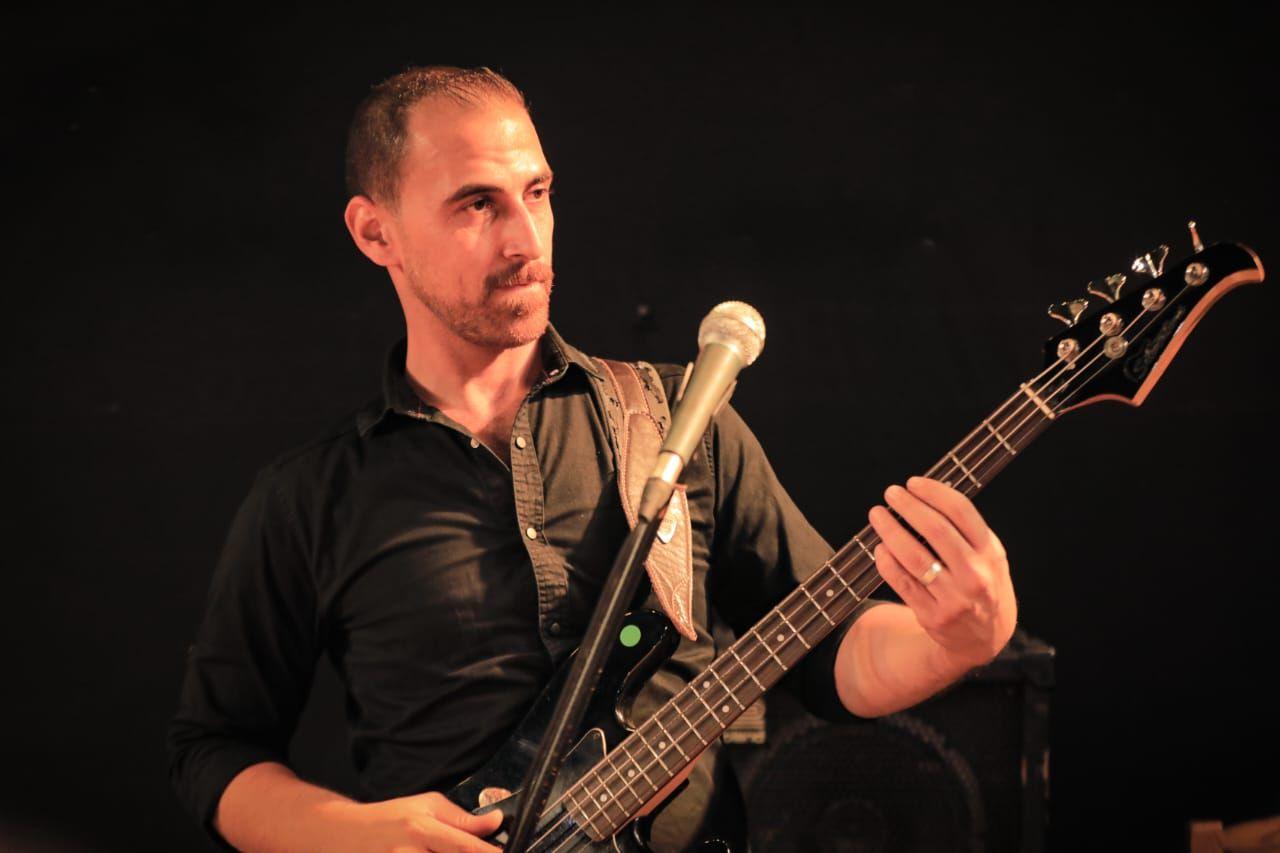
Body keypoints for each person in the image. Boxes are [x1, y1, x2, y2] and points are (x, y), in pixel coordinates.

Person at [167, 66, 1018, 852]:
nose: (526, 239)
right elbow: (214, 751)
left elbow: (831, 659)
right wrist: (350, 835)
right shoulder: (310, 495)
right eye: (476, 204)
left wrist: (960, 638)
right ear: (375, 230)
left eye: (536, 193)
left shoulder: (684, 421)